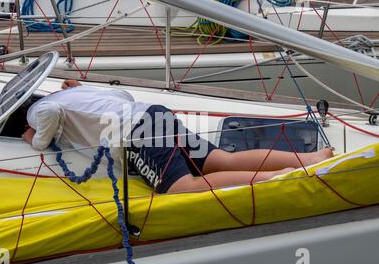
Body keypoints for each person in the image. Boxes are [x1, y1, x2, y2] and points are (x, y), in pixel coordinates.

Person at [22, 79, 333, 194]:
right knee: (220, 159)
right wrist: (80, 93)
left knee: (182, 186)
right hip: (155, 113)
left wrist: (32, 137)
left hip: (136, 134)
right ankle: (310, 158)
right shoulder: (80, 90)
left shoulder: (40, 109)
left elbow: (47, 119)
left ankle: (278, 178)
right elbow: (123, 94)